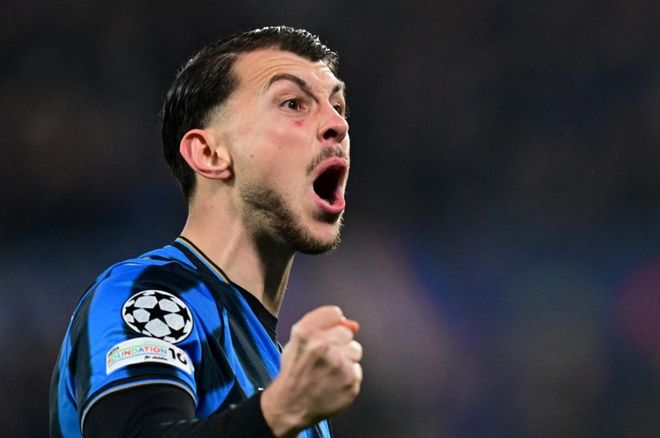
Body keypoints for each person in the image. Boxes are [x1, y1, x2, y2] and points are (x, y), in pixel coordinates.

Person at [49, 26, 362, 438]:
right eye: (292, 103)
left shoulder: (289, 389)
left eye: (338, 106)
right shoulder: (146, 295)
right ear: (209, 153)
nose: (337, 124)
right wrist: (284, 409)